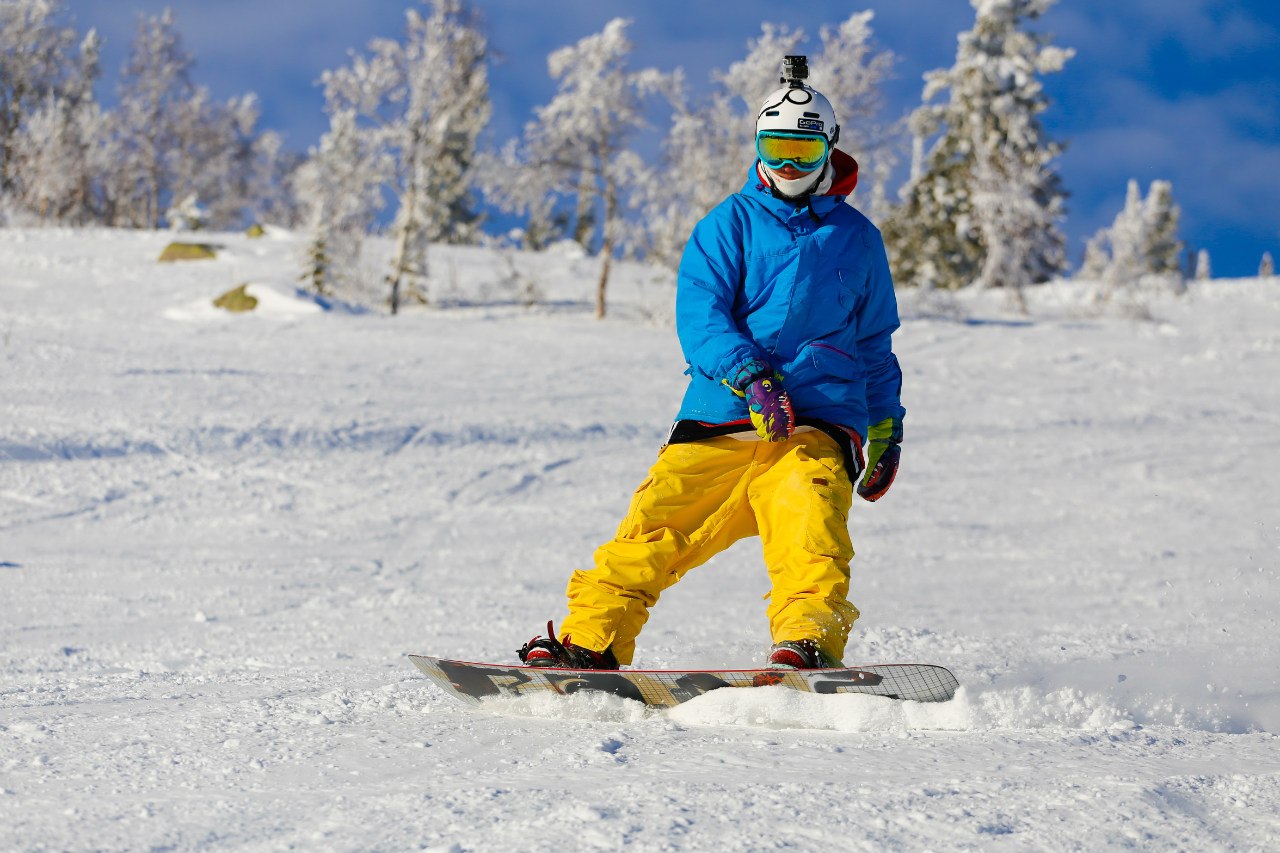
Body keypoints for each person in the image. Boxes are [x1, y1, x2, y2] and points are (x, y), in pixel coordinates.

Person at [519, 57, 905, 671]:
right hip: (723, 414)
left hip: (816, 421)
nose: (786, 166)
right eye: (774, 148)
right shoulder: (729, 224)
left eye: (802, 153)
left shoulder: (858, 239)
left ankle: (806, 642)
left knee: (810, 525)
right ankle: (590, 640)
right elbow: (700, 313)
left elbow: (874, 345)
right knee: (656, 524)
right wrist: (750, 374)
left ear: (829, 151)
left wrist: (884, 428)